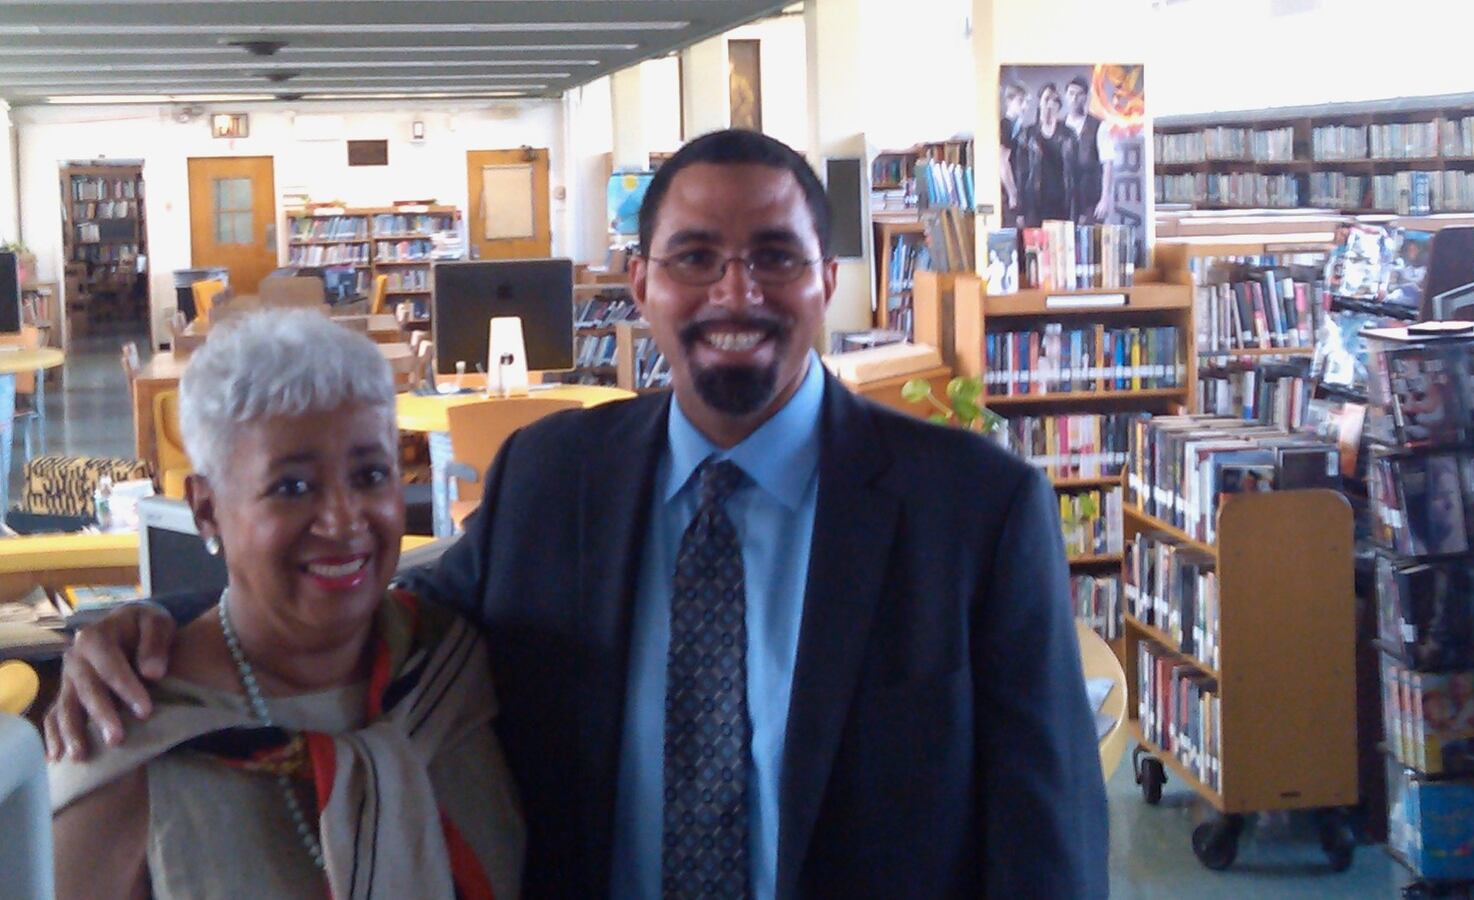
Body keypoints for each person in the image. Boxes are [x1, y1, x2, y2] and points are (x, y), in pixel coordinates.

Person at [48, 129, 1110, 899]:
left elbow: (1047, 841)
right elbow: (381, 600)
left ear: (825, 280)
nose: (735, 291)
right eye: (694, 257)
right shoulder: (552, 480)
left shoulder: (973, 509)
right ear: (642, 285)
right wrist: (146, 630)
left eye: (775, 257)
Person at [48, 310, 524, 898]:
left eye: (371, 474)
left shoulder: (447, 673)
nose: (344, 519)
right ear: (205, 509)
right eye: (293, 487)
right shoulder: (127, 738)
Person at [1017, 82, 1079, 226]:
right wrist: (1020, 210)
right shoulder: (1028, 134)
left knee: (1062, 246)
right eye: (1046, 99)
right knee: (1036, 247)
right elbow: (1021, 173)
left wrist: (1077, 210)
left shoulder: (1069, 135)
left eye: (1054, 100)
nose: (1050, 104)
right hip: (1035, 203)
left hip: (1062, 203)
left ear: (1059, 106)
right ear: (1040, 103)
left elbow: (1076, 174)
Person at [1063, 75, 1117, 225]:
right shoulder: (1059, 127)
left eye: (1079, 94)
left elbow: (1108, 163)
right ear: (1066, 96)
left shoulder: (1099, 126)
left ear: (1085, 97)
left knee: (1092, 243)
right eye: (1071, 93)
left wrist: (1105, 198)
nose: (1074, 98)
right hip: (1065, 201)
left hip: (1091, 199)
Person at [999, 81, 1029, 227]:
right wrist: (1012, 193)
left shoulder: (1019, 128)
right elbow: (1002, 162)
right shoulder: (1005, 126)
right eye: (1020, 101)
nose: (1024, 106)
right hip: (1009, 195)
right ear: (1009, 101)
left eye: (1025, 101)